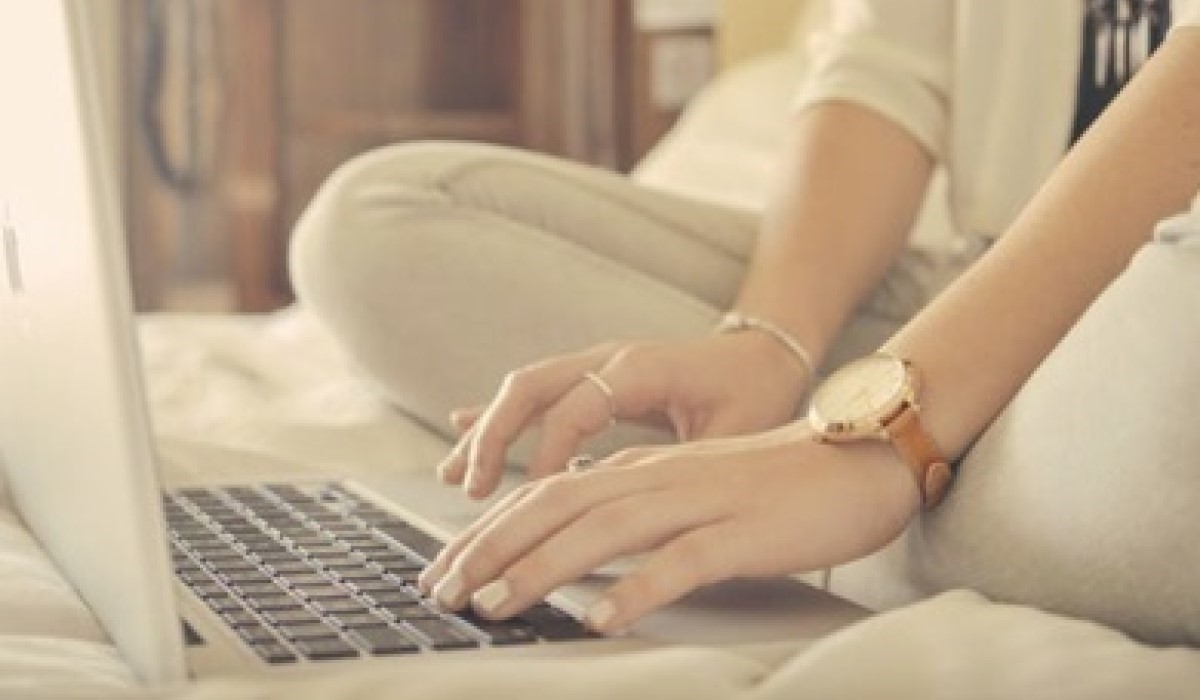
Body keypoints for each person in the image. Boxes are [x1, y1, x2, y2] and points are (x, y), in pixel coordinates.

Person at [289, 1, 1200, 643]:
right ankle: (848, 479)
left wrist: (881, 442)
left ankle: (842, 488)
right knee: (382, 222)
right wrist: (773, 338)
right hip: (978, 276)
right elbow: (885, 67)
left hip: (1168, 298)